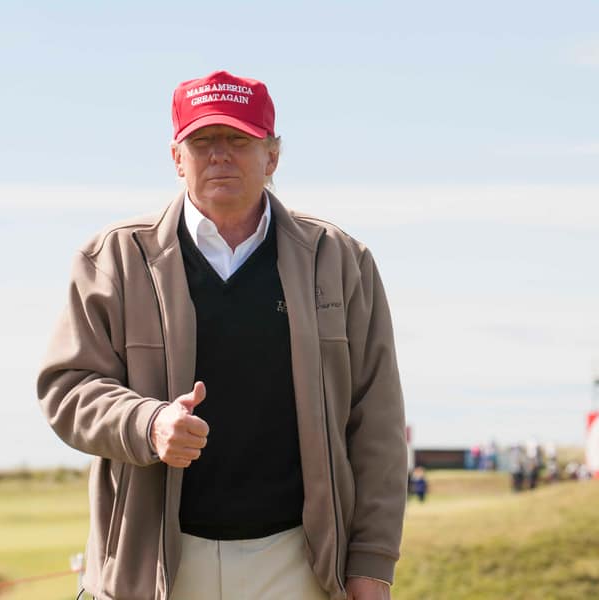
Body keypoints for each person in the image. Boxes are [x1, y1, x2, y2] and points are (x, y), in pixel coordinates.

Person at [37, 70, 406, 600]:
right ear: (176, 157)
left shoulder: (341, 260)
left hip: (298, 561)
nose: (219, 156)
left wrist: (372, 562)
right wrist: (150, 422)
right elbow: (66, 388)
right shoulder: (113, 258)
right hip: (156, 567)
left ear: (272, 156)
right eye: (202, 141)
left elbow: (379, 422)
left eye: (238, 140)